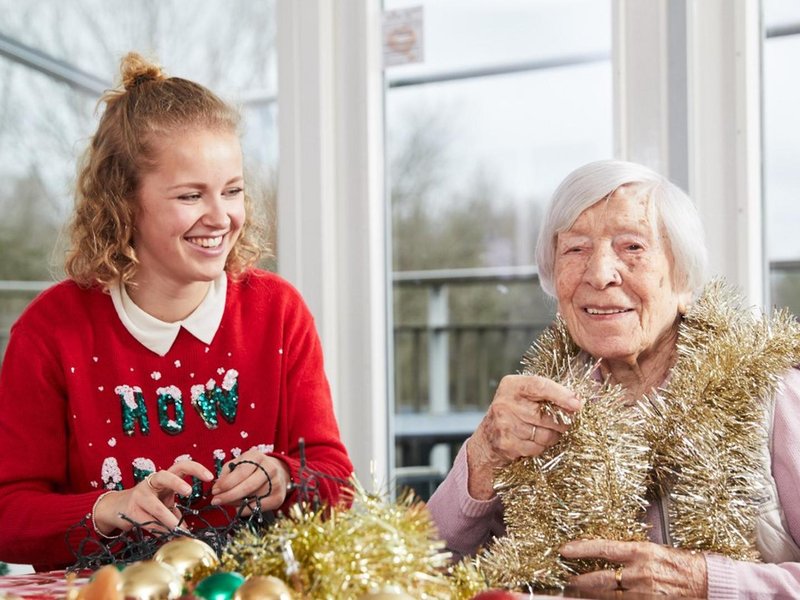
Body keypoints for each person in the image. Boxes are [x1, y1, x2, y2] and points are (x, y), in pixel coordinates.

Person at [0, 52, 353, 572]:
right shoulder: (51, 330)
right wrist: (110, 508)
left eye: (231, 191)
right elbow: (9, 515)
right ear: (124, 202)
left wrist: (281, 476)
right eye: (191, 195)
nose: (221, 217)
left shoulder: (278, 311)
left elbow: (333, 480)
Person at [427, 160, 800, 598]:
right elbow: (420, 567)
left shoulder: (772, 391)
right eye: (576, 249)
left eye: (633, 247)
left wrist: (707, 582)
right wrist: (483, 456)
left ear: (683, 281)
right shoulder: (535, 406)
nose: (600, 273)